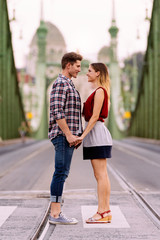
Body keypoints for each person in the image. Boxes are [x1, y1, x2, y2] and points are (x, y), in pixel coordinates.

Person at [48, 52, 83, 225]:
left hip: (67, 136)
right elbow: (57, 111)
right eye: (77, 66)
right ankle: (55, 214)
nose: (79, 70)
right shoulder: (61, 83)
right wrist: (69, 134)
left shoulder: (69, 84)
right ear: (68, 65)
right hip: (62, 136)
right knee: (60, 172)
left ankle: (56, 212)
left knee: (63, 172)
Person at [75, 63, 112, 224]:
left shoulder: (100, 91)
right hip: (94, 135)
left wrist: (82, 135)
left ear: (98, 73)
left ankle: (102, 212)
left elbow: (95, 116)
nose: (86, 73)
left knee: (101, 175)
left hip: (96, 134)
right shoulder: (96, 91)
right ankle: (105, 211)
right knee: (100, 175)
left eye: (89, 71)